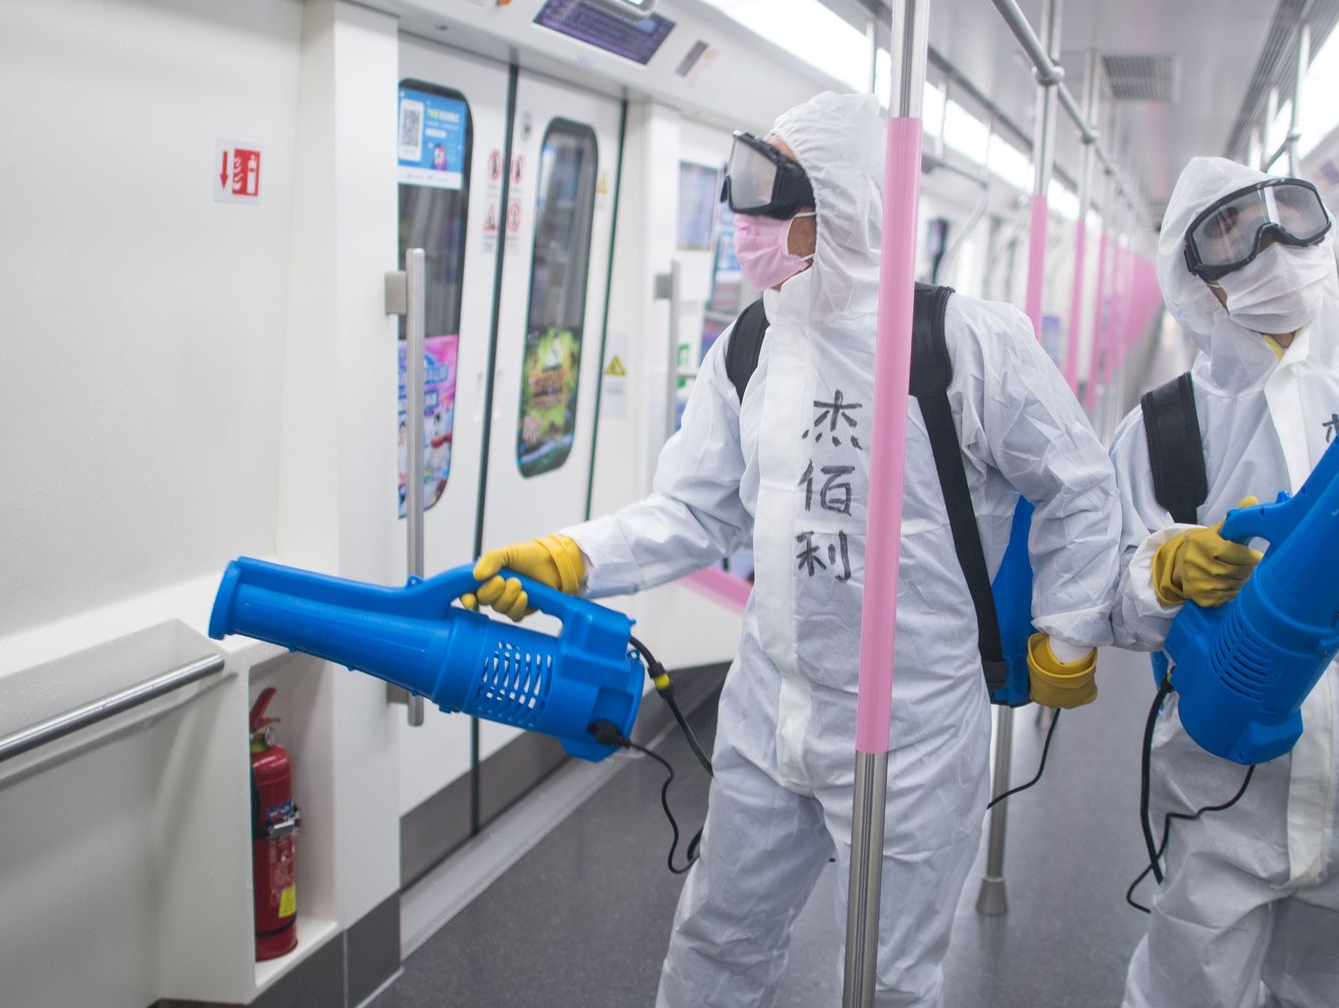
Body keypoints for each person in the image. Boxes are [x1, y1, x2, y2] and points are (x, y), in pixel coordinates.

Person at [465, 91, 1123, 1008]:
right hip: (770, 705)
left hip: (916, 723)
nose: (746, 222)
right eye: (740, 192)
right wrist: (572, 556)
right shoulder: (748, 345)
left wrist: (1069, 626)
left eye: (770, 196)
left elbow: (1082, 484)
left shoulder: (962, 343)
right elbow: (693, 512)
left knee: (889, 979)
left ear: (845, 204)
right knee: (716, 938)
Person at [1108, 157, 1339, 1008]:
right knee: (1189, 983)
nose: (1271, 245)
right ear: (1193, 277)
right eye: (1232, 233)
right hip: (1223, 771)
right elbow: (1111, 585)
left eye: (1287, 215)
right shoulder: (1167, 424)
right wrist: (1164, 567)